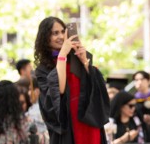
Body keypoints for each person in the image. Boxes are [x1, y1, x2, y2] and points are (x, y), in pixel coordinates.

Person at [34, 16, 110, 144]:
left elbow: (95, 89)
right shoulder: (43, 69)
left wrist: (84, 62)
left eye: (63, 31)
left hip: (88, 118)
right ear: (45, 38)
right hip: (69, 124)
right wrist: (62, 54)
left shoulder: (76, 58)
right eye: (55, 33)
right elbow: (59, 90)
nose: (61, 36)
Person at [26, 76, 49, 143]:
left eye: (30, 89)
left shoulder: (38, 109)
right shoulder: (45, 106)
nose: (28, 93)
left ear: (37, 91)